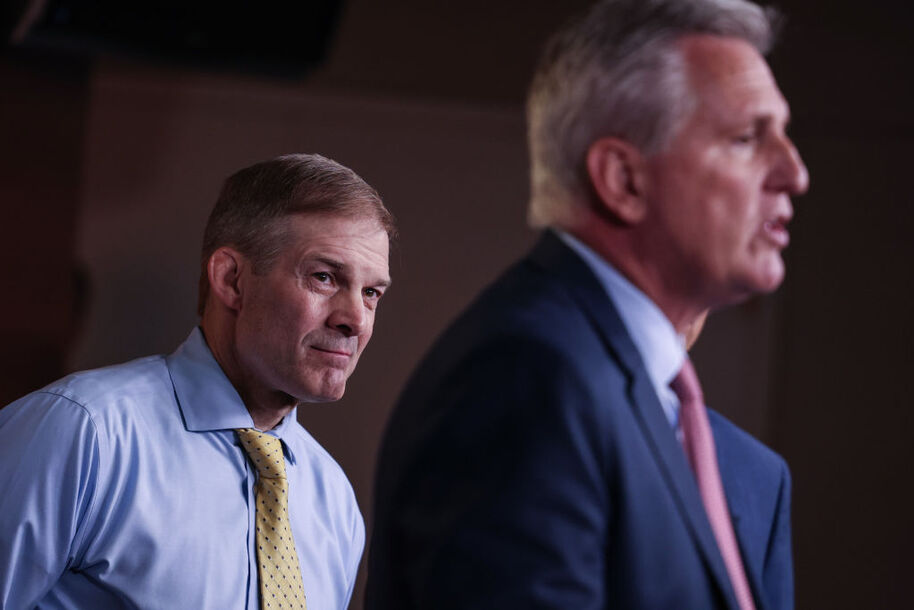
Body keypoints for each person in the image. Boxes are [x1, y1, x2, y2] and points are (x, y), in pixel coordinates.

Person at [367, 0, 807, 608]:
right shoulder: (523, 378)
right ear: (624, 181)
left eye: (783, 135)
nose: (794, 172)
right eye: (745, 138)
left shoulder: (615, 390)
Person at [0, 153, 395, 609]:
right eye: (324, 277)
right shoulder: (83, 434)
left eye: (371, 293)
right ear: (231, 280)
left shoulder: (335, 502)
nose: (355, 321)